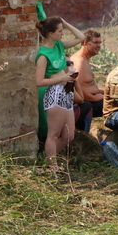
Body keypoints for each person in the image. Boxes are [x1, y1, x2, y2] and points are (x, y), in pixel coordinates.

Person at [35, 16, 84, 169]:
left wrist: (66, 22)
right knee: (53, 134)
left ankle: (48, 158)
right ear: (50, 33)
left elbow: (81, 37)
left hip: (66, 92)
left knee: (69, 135)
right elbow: (39, 81)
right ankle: (52, 167)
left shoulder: (59, 46)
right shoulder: (43, 55)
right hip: (54, 93)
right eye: (60, 31)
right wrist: (62, 77)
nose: (63, 34)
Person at [70, 29, 104, 132]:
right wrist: (105, 97)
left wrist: (104, 91)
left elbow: (88, 86)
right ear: (85, 43)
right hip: (85, 104)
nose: (99, 45)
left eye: (100, 42)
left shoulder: (85, 59)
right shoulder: (79, 62)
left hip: (93, 99)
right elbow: (80, 92)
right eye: (95, 42)